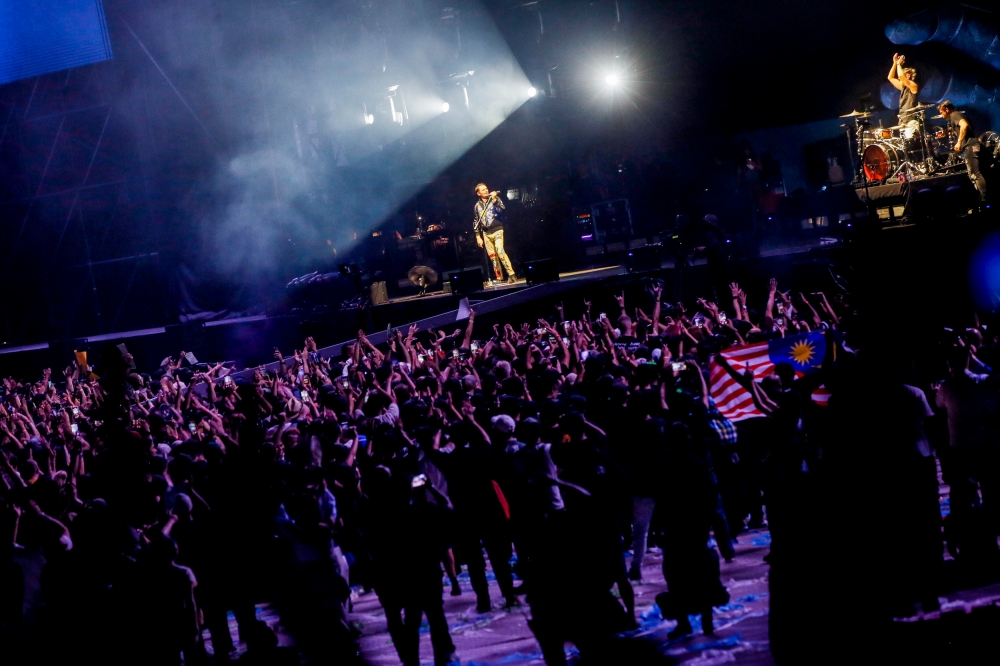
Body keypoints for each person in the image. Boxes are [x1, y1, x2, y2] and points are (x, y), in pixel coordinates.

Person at [938, 100, 988, 203]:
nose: (941, 115)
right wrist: (947, 133)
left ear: (947, 109)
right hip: (974, 144)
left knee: (974, 173)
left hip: (970, 146)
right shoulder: (958, 114)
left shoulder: (954, 115)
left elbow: (964, 125)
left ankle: (984, 199)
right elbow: (964, 127)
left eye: (942, 112)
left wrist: (959, 142)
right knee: (979, 172)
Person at [473, 183, 517, 284]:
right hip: (486, 233)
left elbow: (502, 209)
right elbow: (476, 220)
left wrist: (495, 200)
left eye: (486, 189)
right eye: (483, 190)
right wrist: (478, 236)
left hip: (497, 229)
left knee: (500, 251)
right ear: (478, 193)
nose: (486, 191)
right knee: (492, 256)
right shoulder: (477, 206)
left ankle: (511, 274)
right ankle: (499, 277)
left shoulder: (495, 199)